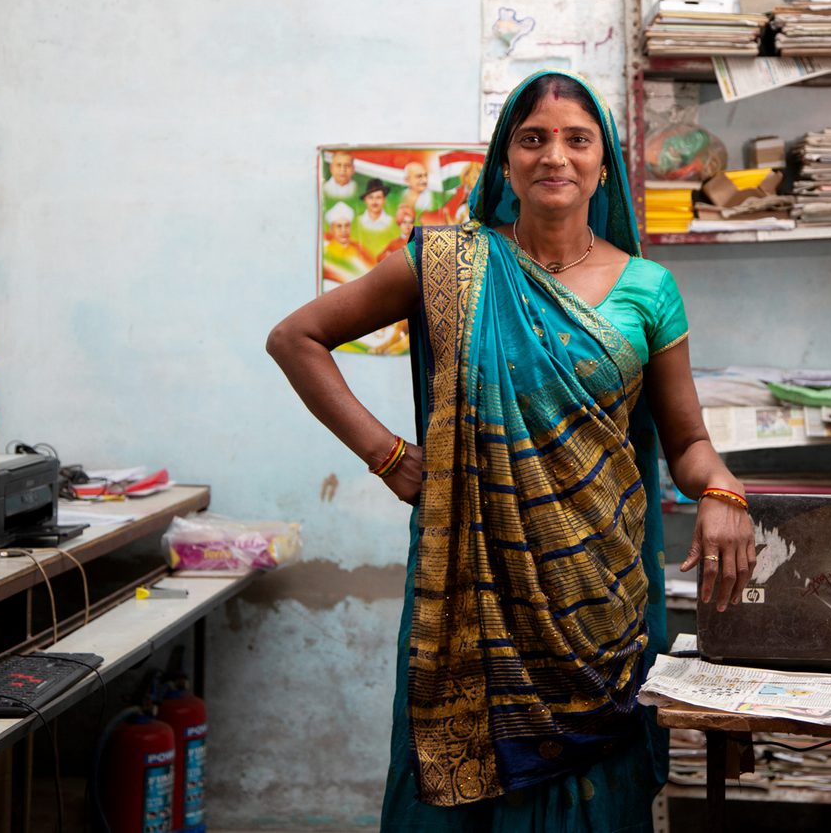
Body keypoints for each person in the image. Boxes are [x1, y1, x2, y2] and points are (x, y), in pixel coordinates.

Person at [267, 70, 754, 831]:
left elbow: (688, 441)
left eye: (576, 139)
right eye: (533, 138)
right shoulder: (447, 266)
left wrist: (723, 491)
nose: (553, 154)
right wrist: (391, 456)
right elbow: (295, 338)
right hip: (473, 592)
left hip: (601, 601)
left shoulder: (648, 289)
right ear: (504, 162)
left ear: (603, 164)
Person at [321, 202, 373, 285]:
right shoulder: (326, 251)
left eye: (347, 226)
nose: (343, 230)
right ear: (331, 229)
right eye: (339, 226)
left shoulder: (358, 250)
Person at [353, 178, 399, 260]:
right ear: (365, 200)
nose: (374, 201)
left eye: (378, 197)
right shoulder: (356, 221)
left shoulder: (393, 222)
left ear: (384, 200)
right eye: (371, 197)